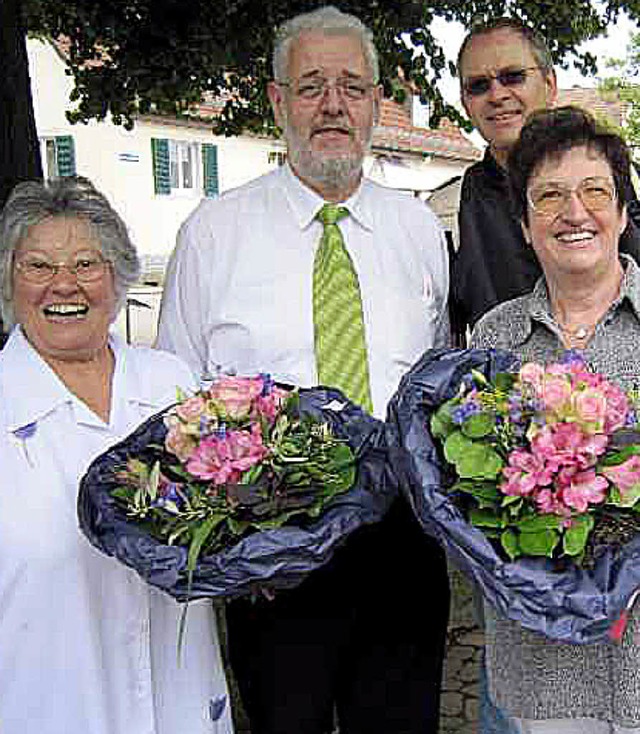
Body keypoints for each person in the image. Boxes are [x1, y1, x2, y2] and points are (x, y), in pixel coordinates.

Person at [156, 6, 451, 733]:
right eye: (312, 84)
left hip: (402, 543)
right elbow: (172, 399)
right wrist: (231, 545)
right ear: (278, 100)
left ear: (378, 104)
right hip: (274, 552)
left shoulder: (416, 229)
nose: (333, 105)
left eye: (353, 86)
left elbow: (436, 379)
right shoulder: (214, 233)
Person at [0, 176, 233, 734]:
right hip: (47, 705)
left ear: (117, 276)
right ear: (10, 280)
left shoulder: (171, 385)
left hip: (182, 700)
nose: (63, 285)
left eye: (86, 264)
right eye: (38, 266)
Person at [470, 106, 640, 733]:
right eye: (549, 196)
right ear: (525, 225)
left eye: (595, 191)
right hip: (539, 666)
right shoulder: (493, 341)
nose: (575, 212)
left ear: (622, 213)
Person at [429, 17, 640, 342]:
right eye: (479, 85)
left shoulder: (630, 181)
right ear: (466, 104)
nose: (497, 94)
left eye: (513, 77)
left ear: (550, 84)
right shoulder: (444, 213)